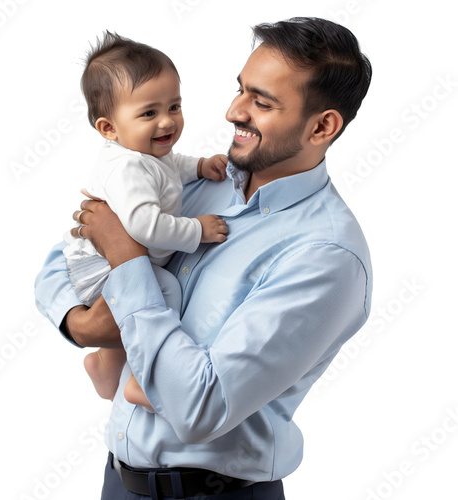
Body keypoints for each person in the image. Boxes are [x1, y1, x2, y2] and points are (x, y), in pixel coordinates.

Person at [35, 17, 373, 500]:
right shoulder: (200, 181)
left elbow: (199, 409)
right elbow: (65, 256)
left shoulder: (327, 257)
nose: (234, 111)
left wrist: (129, 262)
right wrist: (80, 325)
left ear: (322, 126)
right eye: (241, 90)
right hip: (118, 482)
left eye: (261, 102)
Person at [62, 32, 229, 405]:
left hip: (103, 259)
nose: (167, 122)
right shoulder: (127, 169)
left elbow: (171, 168)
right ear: (109, 128)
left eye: (174, 106)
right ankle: (143, 377)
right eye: (149, 113)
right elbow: (145, 226)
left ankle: (106, 366)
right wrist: (196, 230)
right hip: (101, 265)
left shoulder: (145, 154)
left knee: (131, 309)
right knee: (163, 293)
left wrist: (200, 166)